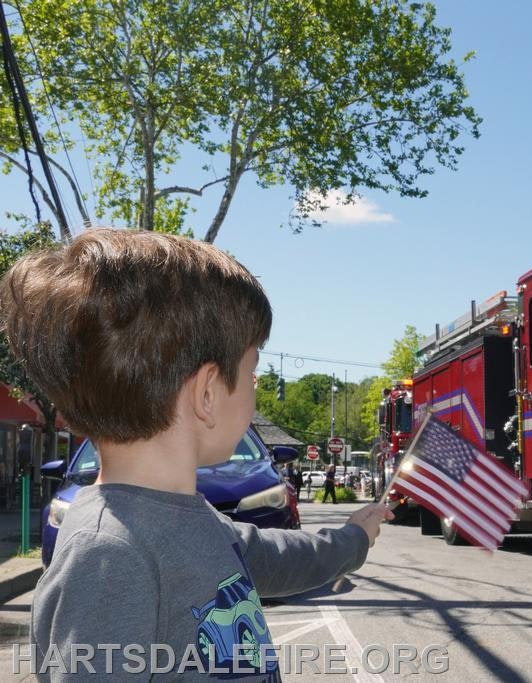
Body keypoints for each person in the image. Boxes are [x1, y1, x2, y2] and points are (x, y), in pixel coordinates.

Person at [0, 229, 393, 678]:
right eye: (252, 373)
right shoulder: (106, 555)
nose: (254, 390)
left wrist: (354, 537)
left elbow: (278, 559)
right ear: (207, 393)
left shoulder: (192, 519)